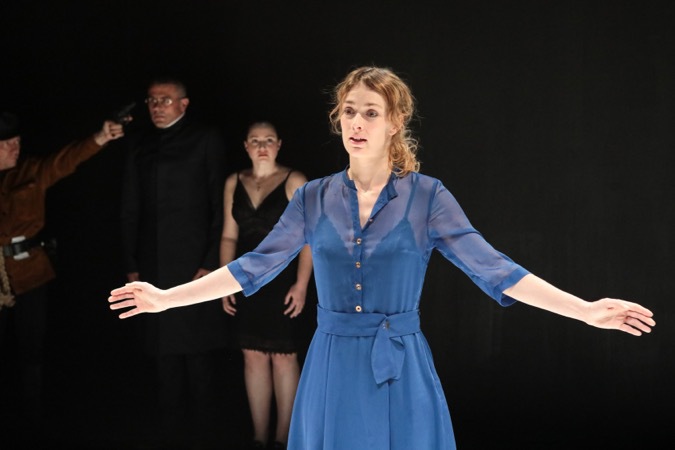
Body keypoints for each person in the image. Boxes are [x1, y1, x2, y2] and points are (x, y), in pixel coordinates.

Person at [108, 66, 656, 450]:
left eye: (371, 112)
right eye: (349, 111)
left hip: (400, 364)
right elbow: (252, 266)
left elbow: (496, 270)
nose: (357, 122)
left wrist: (585, 310)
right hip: (331, 363)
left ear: (394, 122)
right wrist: (166, 299)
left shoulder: (428, 197)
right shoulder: (313, 197)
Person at [0, 111, 126, 442]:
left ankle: (34, 418)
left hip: (30, 273)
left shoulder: (31, 170)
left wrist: (101, 137)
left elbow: (66, 160)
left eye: (17, 141)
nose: (15, 148)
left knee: (32, 349)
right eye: (7, 144)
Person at [119, 77, 229, 449]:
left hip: (195, 265)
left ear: (183, 104)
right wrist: (131, 262)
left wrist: (211, 261)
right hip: (153, 264)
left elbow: (219, 204)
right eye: (151, 100)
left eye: (165, 100)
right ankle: (171, 434)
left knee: (198, 354)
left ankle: (205, 435)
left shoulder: (205, 138)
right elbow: (130, 207)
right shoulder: (140, 143)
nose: (156, 107)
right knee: (162, 352)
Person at [220, 121, 313, 450]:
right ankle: (259, 438)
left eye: (269, 140)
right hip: (247, 279)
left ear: (279, 144)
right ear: (246, 146)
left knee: (284, 357)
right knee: (252, 356)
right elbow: (229, 235)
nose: (262, 146)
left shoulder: (295, 180)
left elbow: (308, 239)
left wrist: (301, 284)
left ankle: (283, 439)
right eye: (256, 140)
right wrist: (225, 283)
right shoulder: (234, 181)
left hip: (283, 280)